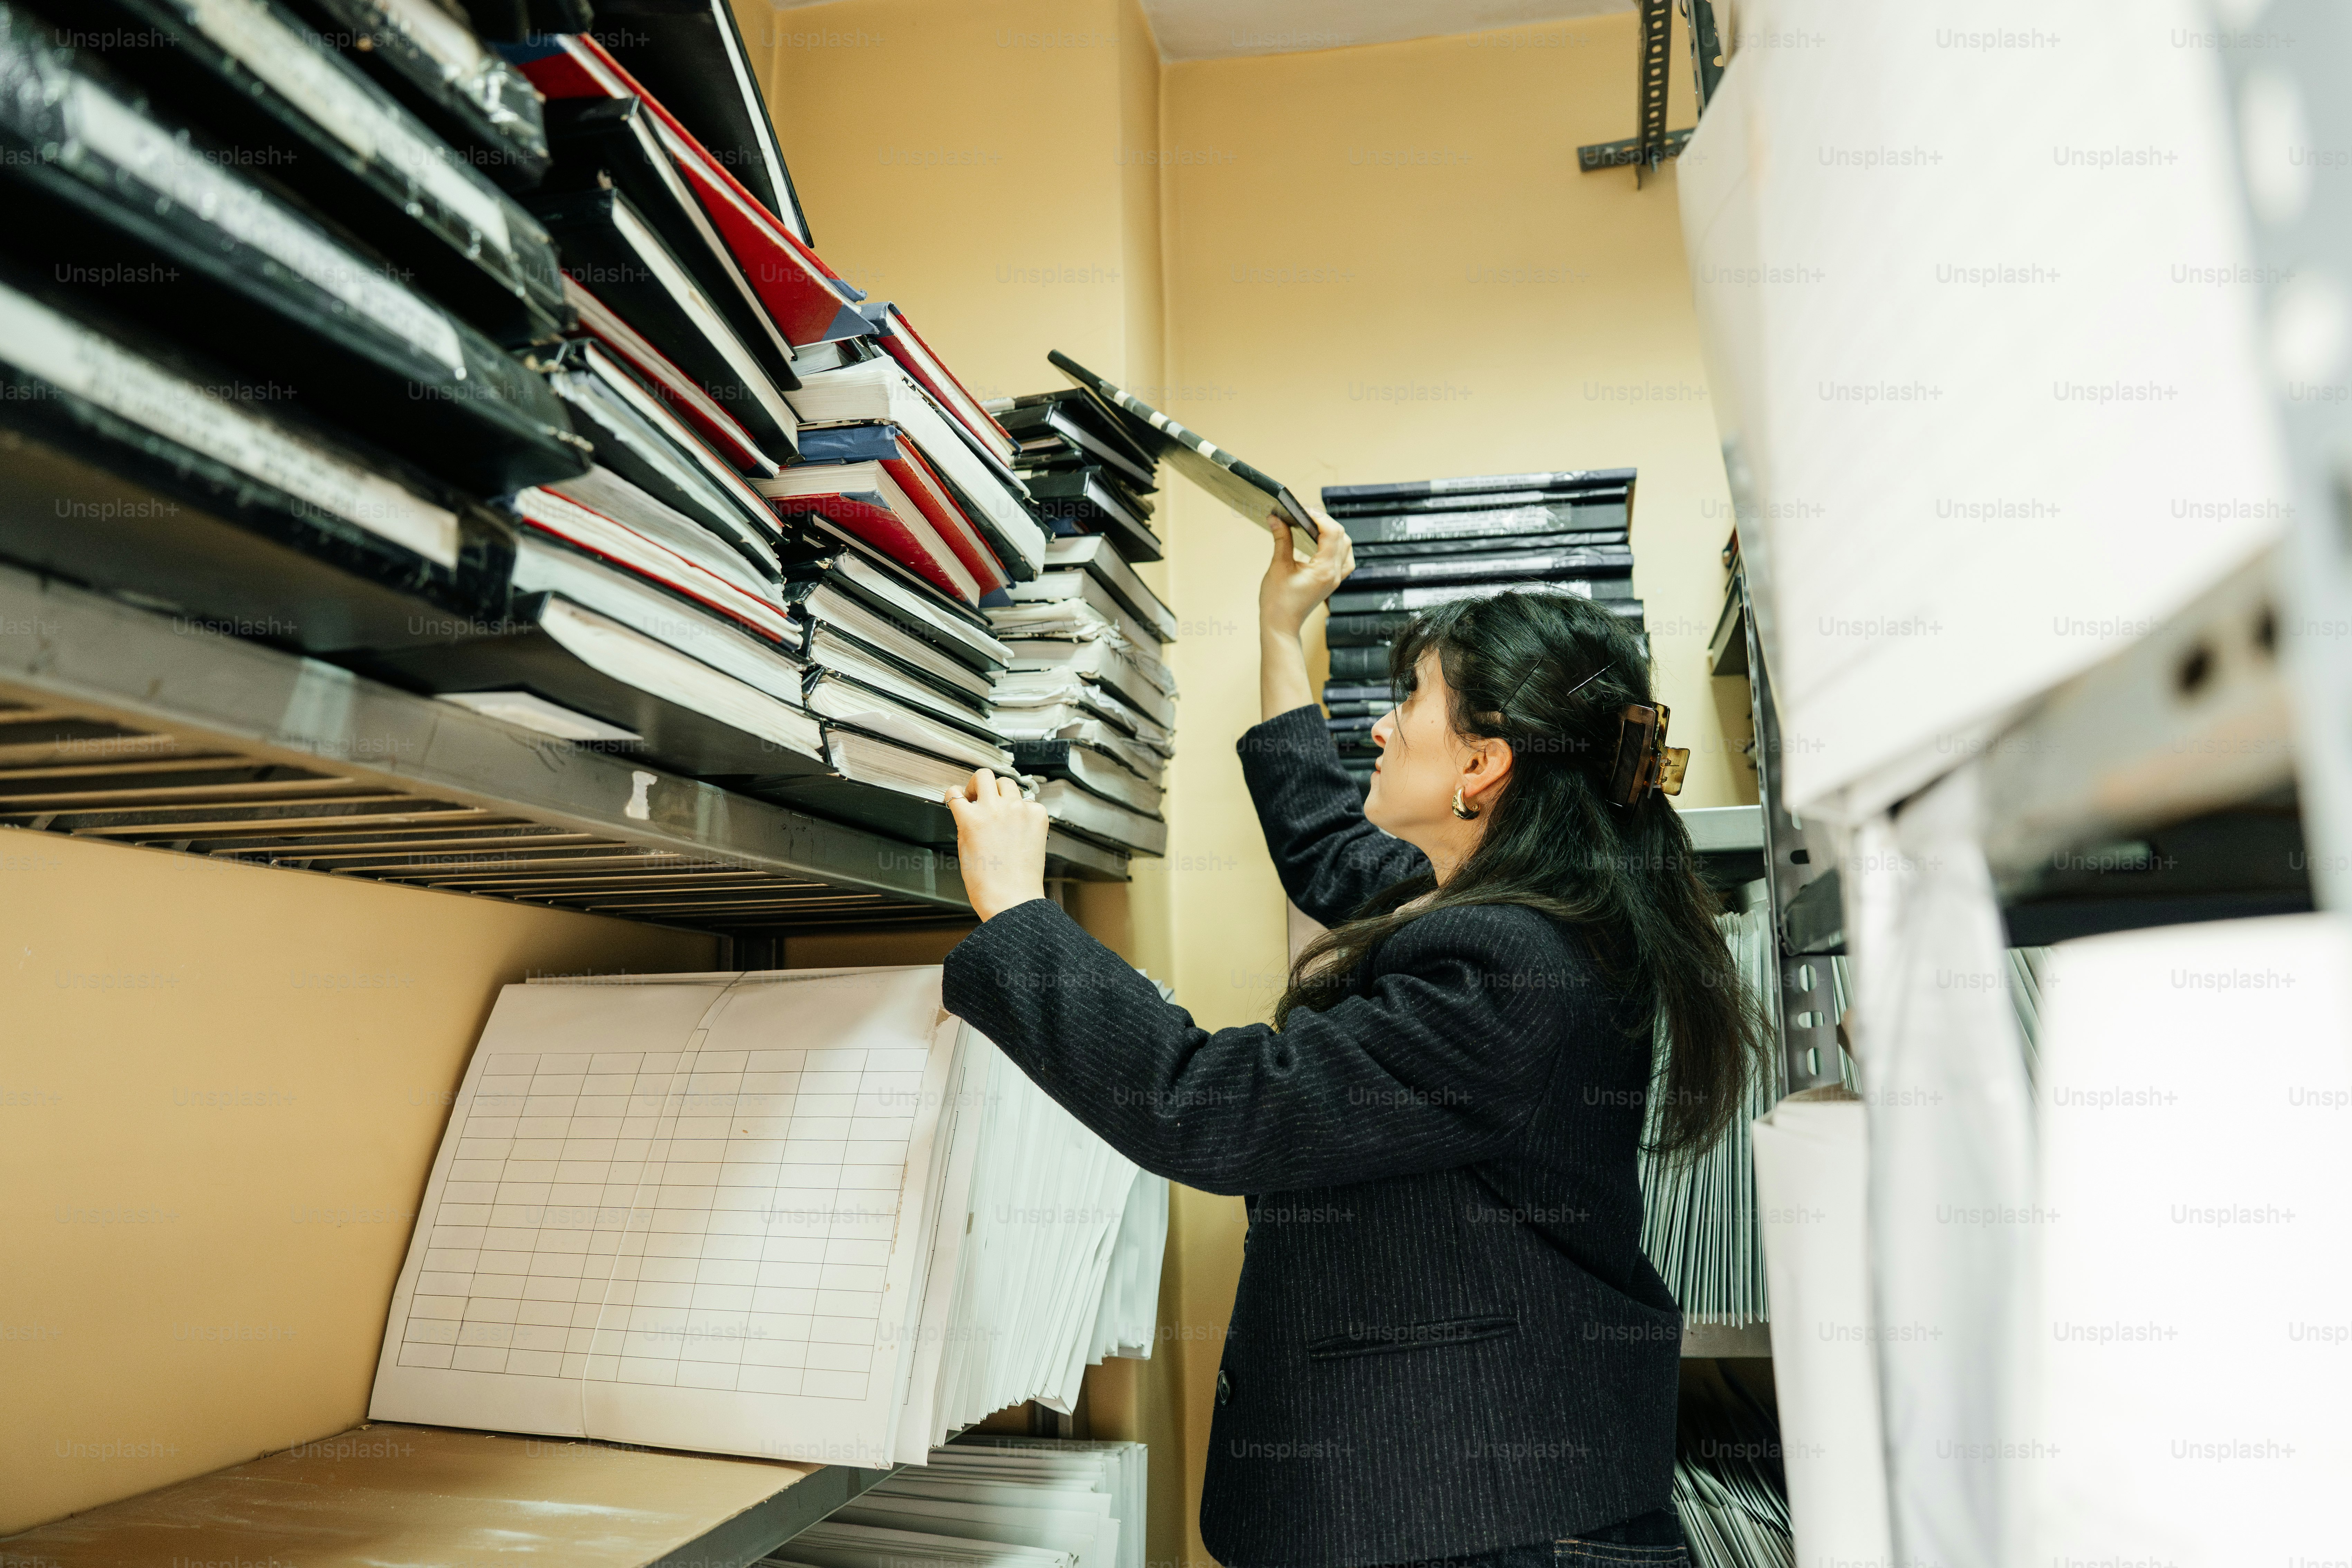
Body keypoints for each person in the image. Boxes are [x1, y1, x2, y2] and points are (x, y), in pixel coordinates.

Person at [939, 511, 1765, 1568]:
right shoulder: (1499, 906)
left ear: (1484, 762)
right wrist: (1280, 630)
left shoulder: (1513, 967)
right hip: (1472, 1503)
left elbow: (1214, 1106)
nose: (1379, 728)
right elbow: (1326, 848)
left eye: (1408, 701)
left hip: (1484, 1524)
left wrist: (1015, 912)